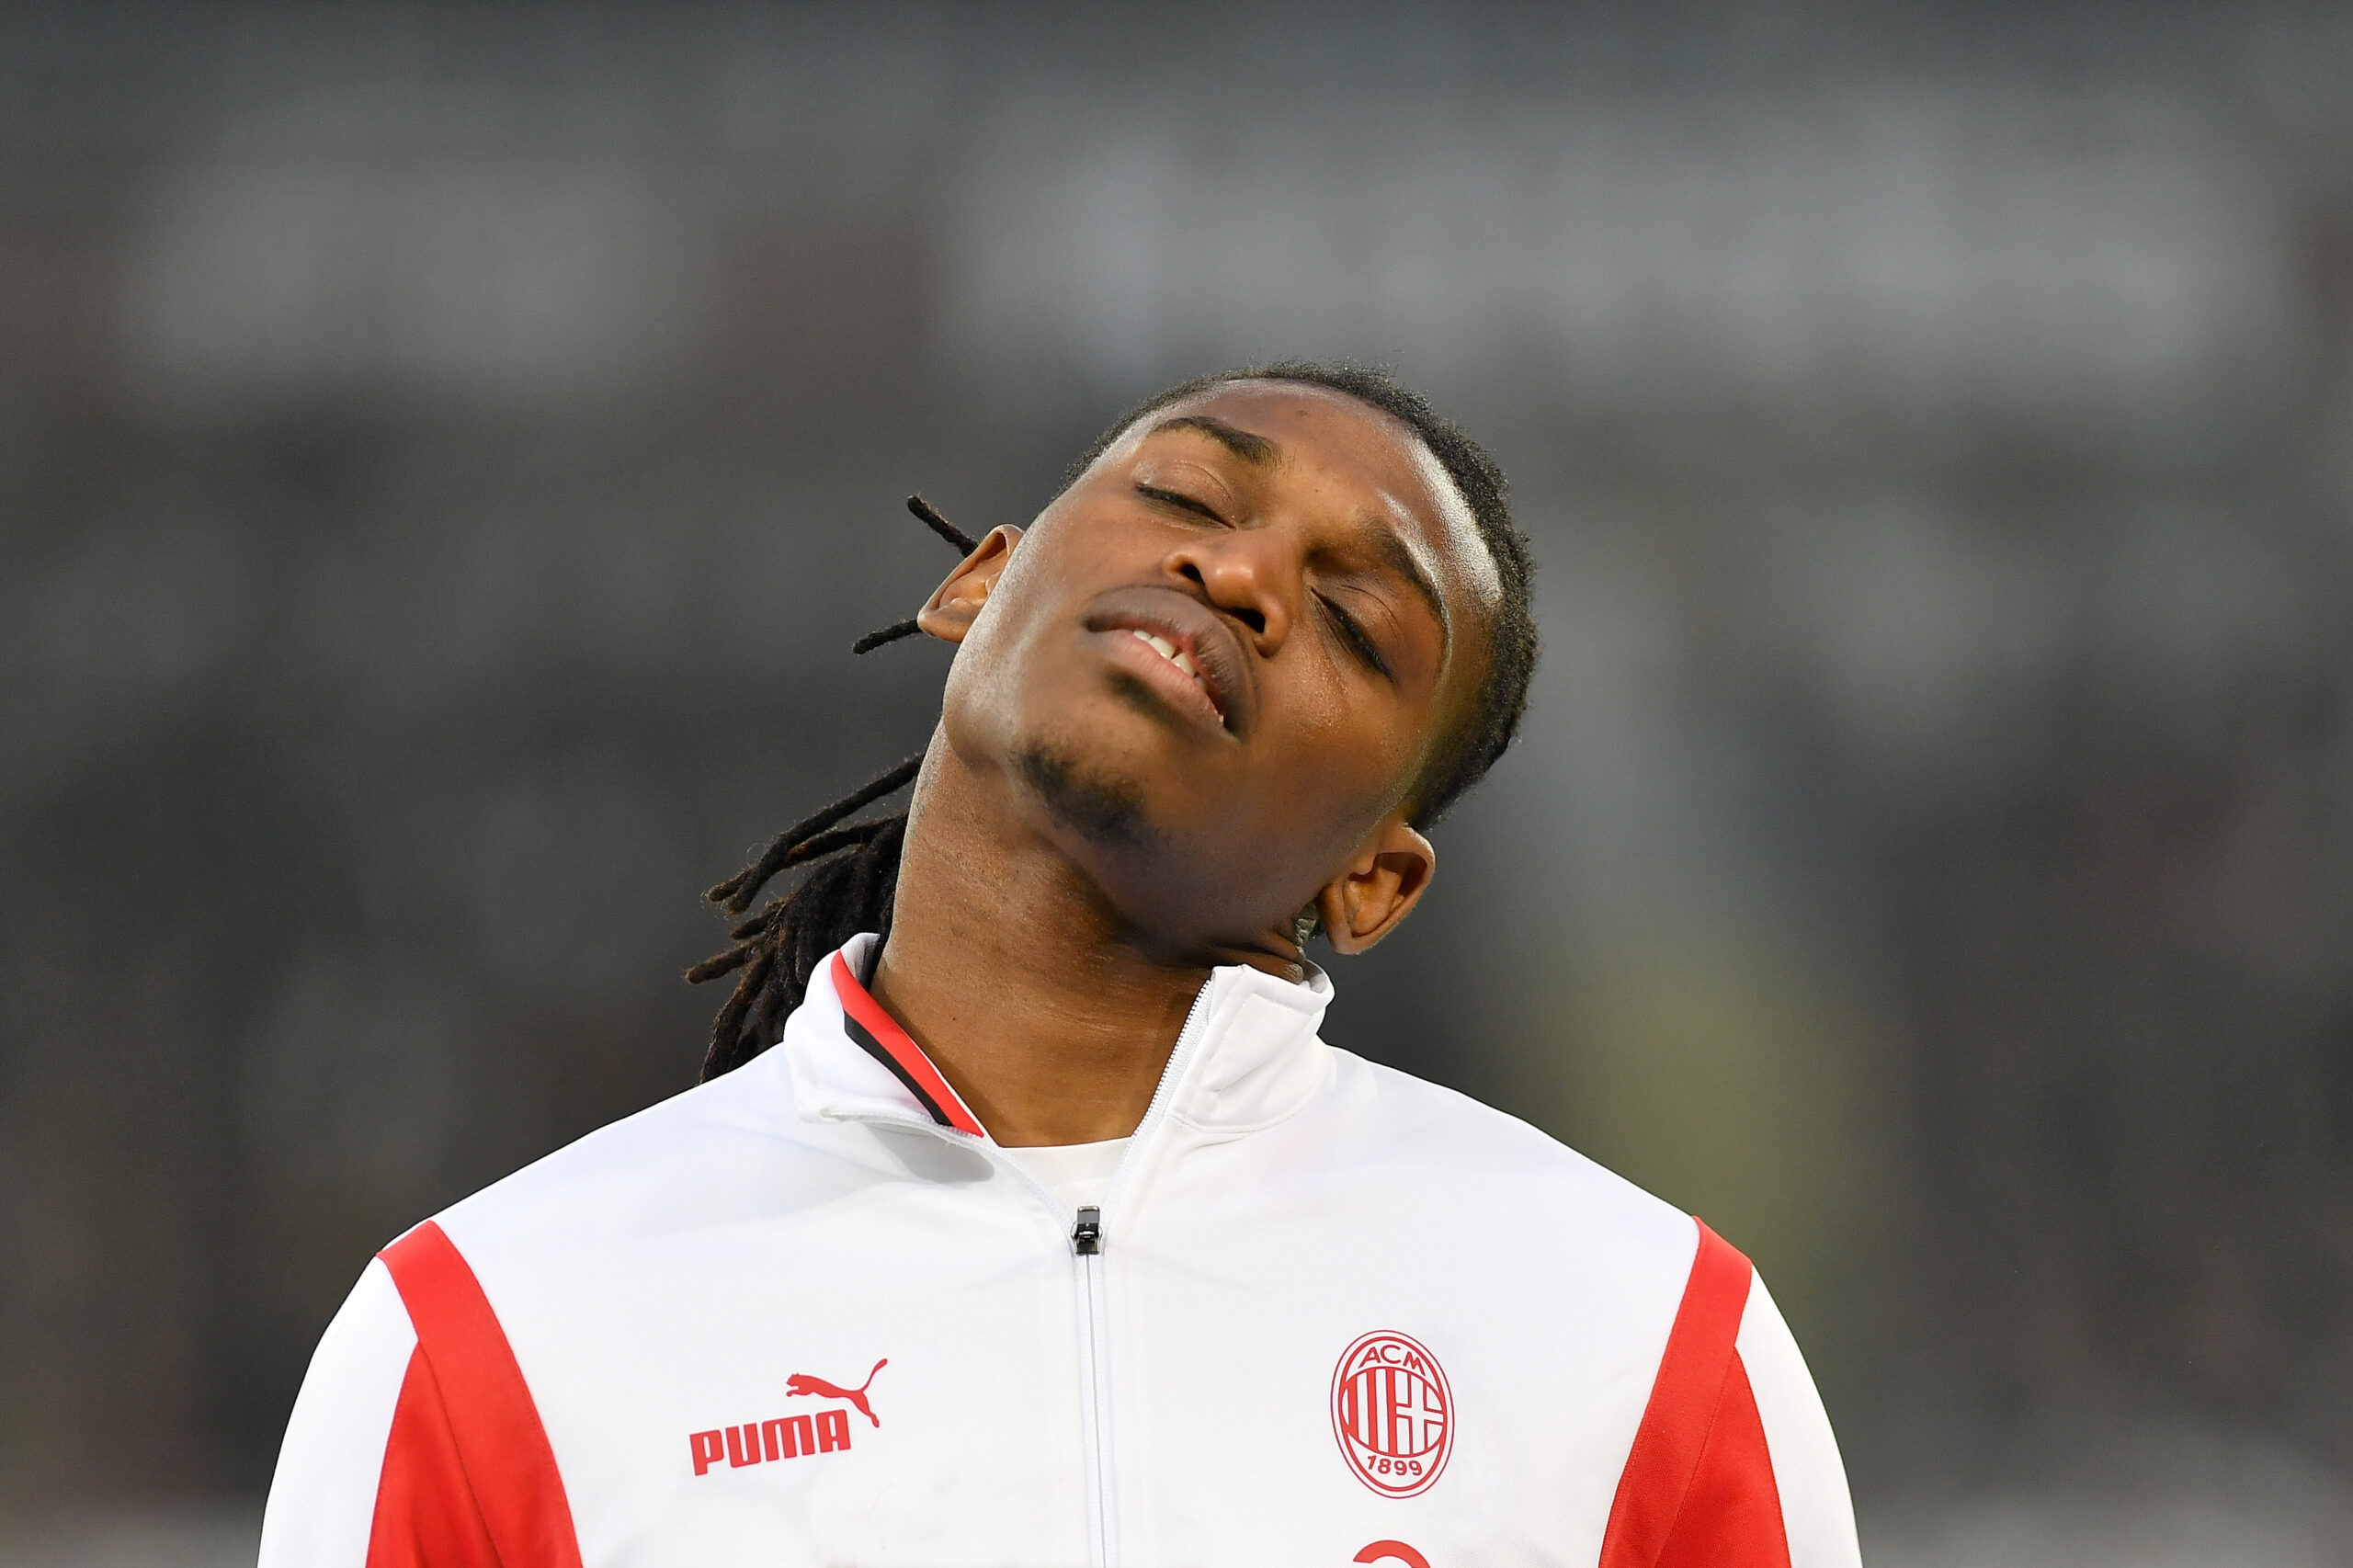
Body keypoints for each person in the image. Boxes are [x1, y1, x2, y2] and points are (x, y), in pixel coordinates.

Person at [258, 362, 1860, 1568]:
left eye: (1359, 623)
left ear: (1373, 878)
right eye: (1185, 499)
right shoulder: (492, 1334)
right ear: (978, 582)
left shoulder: (1639, 1337)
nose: (1241, 578)